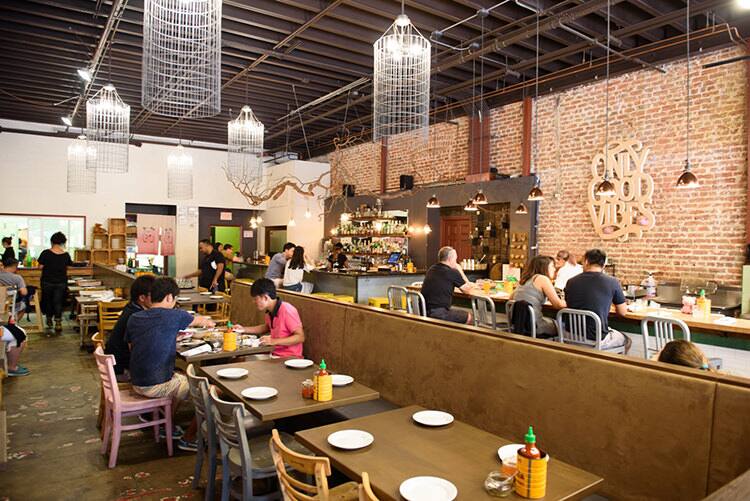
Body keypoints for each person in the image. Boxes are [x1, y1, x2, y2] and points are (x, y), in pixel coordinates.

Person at [125, 277, 215, 451]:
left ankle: (167, 424)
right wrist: (209, 323)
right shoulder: (175, 315)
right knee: (210, 392)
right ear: (169, 297)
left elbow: (134, 345)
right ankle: (189, 438)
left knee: (180, 377)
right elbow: (200, 321)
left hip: (136, 380)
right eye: (175, 298)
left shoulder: (134, 317)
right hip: (154, 385)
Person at [564, 249, 631, 352]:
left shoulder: (571, 281)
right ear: (604, 264)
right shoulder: (612, 282)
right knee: (627, 340)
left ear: (586, 261)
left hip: (569, 336)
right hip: (595, 339)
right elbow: (623, 312)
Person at [234, 278, 305, 358]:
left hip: (290, 358)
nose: (253, 302)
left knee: (247, 361)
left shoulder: (287, 310)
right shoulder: (269, 310)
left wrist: (273, 341)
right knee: (242, 359)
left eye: (255, 299)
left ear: (265, 297)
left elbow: (300, 337)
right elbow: (266, 327)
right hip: (274, 354)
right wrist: (243, 329)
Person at [104, 275, 155, 380]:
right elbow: (139, 350)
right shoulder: (137, 316)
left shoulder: (131, 307)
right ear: (142, 298)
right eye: (154, 295)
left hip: (116, 364)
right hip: (123, 370)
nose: (158, 298)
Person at [511, 255, 566, 336]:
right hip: (534, 325)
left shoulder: (523, 280)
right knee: (565, 326)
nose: (554, 269)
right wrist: (570, 301)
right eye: (552, 266)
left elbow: (511, 299)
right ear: (544, 267)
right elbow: (558, 305)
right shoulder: (543, 279)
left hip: (518, 324)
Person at [421, 246, 474, 324]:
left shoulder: (432, 269)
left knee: (456, 313)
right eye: (455, 259)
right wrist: (460, 270)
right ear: (450, 259)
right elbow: (467, 290)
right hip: (437, 313)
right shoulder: (452, 272)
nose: (456, 262)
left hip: (423, 310)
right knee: (469, 317)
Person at [38, 232, 73, 332]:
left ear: (52, 241)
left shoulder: (45, 253)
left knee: (48, 300)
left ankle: (49, 319)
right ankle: (58, 323)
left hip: (47, 281)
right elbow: (69, 266)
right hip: (61, 282)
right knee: (58, 301)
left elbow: (40, 266)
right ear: (63, 242)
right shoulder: (66, 255)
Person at [0, 258, 30, 322]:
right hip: (11, 304)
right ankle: (13, 323)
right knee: (24, 305)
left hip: (1, 304)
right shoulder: (17, 278)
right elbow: (24, 292)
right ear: (14, 266)